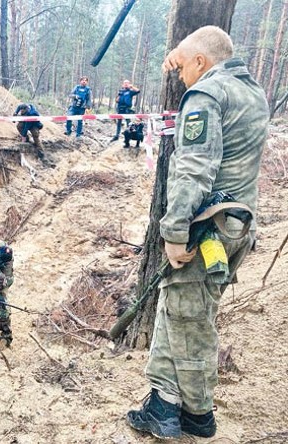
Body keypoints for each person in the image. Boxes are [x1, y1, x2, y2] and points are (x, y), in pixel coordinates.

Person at [126, 26, 269, 440]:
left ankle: (197, 414)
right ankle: (165, 404)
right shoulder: (251, 92)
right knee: (179, 307)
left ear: (202, 62)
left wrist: (173, 231)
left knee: (191, 317)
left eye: (184, 66)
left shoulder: (207, 95)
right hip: (237, 224)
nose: (181, 77)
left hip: (207, 226)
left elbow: (194, 167)